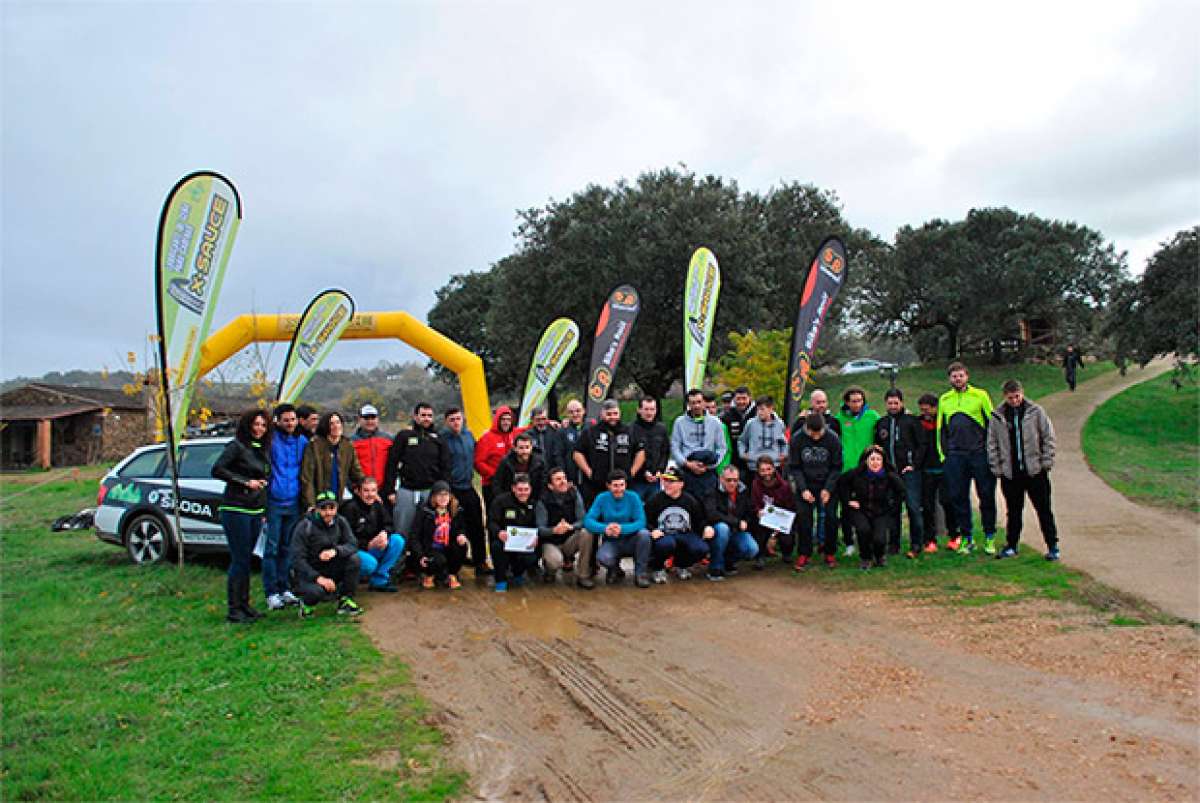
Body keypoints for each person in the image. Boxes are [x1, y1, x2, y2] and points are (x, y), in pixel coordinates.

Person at [986, 380, 1060, 560]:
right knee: (1013, 511)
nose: (1014, 401)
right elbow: (992, 443)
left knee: (1043, 510)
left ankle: (1052, 546)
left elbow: (1048, 437)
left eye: (1017, 396)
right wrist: (998, 467)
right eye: (1010, 398)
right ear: (1005, 396)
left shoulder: (1036, 412)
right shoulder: (998, 416)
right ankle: (1011, 545)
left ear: (1022, 393)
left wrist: (1046, 462)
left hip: (1035, 471)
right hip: (1011, 473)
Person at [212, 408, 272, 623]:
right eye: (256, 424)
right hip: (236, 509)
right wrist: (245, 482)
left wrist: (264, 507)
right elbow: (217, 469)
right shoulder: (236, 446)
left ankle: (245, 605)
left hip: (255, 509)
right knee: (239, 560)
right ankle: (234, 609)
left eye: (263, 425)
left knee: (248, 560)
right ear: (247, 425)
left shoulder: (263, 449)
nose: (259, 429)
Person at [937, 362, 998, 555]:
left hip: (979, 454)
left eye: (961, 375)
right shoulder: (945, 399)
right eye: (954, 376)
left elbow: (992, 425)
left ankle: (989, 537)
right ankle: (967, 538)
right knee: (958, 498)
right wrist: (944, 456)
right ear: (949, 379)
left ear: (967, 376)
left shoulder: (980, 395)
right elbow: (941, 430)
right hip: (956, 456)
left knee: (986, 496)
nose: (958, 379)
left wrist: (991, 452)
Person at [384, 402, 451, 539]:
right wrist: (390, 490)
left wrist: (444, 492)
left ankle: (423, 558)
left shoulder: (439, 439)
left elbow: (445, 467)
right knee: (402, 528)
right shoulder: (404, 436)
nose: (426, 418)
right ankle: (401, 558)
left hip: (430, 491)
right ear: (415, 417)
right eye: (423, 415)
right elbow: (392, 463)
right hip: (407, 490)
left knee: (428, 529)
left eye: (429, 416)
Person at [290, 491, 363, 618]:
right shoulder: (304, 526)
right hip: (309, 571)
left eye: (331, 508)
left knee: (354, 560)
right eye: (323, 508)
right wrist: (318, 578)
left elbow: (352, 544)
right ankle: (306, 605)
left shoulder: (340, 521)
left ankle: (346, 600)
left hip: (331, 566)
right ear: (316, 509)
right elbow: (297, 559)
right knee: (316, 592)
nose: (328, 512)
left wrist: (336, 551)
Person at [263, 403, 306, 610]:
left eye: (293, 419)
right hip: (274, 502)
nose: (290, 423)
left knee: (287, 548)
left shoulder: (301, 441)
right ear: (277, 421)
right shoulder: (270, 442)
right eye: (286, 420)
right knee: (271, 549)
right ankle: (271, 592)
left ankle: (285, 588)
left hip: (294, 502)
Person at [643, 468, 720, 582]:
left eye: (671, 481)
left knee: (701, 548)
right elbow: (645, 520)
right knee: (666, 544)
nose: (667, 484)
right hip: (664, 534)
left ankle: (681, 565)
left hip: (685, 533)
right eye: (665, 480)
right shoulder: (655, 499)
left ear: (681, 484)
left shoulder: (690, 500)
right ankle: (657, 568)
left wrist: (706, 527)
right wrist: (652, 530)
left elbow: (699, 520)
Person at [873, 388, 926, 557]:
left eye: (896, 403)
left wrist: (914, 464)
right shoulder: (882, 423)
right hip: (889, 474)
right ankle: (893, 545)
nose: (893, 406)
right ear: (886, 404)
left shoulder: (912, 421)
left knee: (913, 508)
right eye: (890, 403)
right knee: (892, 510)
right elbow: (877, 447)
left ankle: (916, 544)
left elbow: (922, 445)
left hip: (909, 472)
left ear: (902, 403)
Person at [789, 413, 843, 569]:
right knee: (804, 518)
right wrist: (803, 489)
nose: (816, 437)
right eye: (813, 433)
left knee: (831, 518)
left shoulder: (833, 439)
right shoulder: (797, 439)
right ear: (807, 428)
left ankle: (830, 552)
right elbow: (795, 467)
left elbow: (837, 466)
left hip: (827, 483)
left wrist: (828, 489)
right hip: (805, 483)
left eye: (819, 433)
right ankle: (804, 553)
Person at [834, 386, 881, 558]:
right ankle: (849, 543)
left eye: (860, 400)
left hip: (866, 470)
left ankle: (870, 541)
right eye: (853, 401)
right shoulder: (838, 419)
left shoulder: (872, 416)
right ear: (846, 402)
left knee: (868, 506)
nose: (856, 404)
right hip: (846, 470)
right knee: (846, 508)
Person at [441, 407, 488, 577]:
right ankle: (454, 563)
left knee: (477, 525)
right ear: (446, 422)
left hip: (468, 486)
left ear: (463, 419)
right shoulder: (442, 439)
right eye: (452, 419)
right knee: (453, 527)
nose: (455, 422)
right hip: (452, 489)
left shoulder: (469, 436)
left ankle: (480, 561)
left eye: (458, 419)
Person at [842, 446, 905, 571]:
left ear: (883, 461)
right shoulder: (856, 474)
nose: (875, 462)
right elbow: (842, 484)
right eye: (872, 459)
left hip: (881, 511)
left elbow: (901, 491)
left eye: (878, 459)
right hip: (861, 510)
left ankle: (879, 556)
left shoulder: (889, 476)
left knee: (879, 538)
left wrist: (892, 505)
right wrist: (848, 500)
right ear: (866, 461)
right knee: (863, 530)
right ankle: (865, 558)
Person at [585, 470, 651, 588]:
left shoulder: (633, 497)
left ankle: (640, 573)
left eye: (622, 485)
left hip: (631, 539)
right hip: (611, 540)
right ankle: (614, 569)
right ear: (608, 485)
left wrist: (622, 528)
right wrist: (605, 528)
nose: (619, 489)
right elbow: (588, 520)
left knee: (644, 534)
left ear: (626, 485)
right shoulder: (601, 498)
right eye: (615, 485)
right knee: (603, 558)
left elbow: (641, 522)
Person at [339, 476, 405, 592]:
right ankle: (344, 582)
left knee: (397, 540)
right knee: (370, 564)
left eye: (373, 490)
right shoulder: (349, 508)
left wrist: (385, 534)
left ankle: (379, 580)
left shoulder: (377, 505)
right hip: (354, 551)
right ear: (358, 491)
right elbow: (344, 539)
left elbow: (389, 524)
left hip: (374, 547)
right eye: (366, 490)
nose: (370, 494)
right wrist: (367, 545)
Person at [574, 399, 645, 505]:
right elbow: (577, 453)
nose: (612, 417)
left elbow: (641, 452)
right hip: (596, 486)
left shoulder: (630, 431)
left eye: (615, 413)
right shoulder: (590, 432)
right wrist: (589, 473)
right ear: (602, 414)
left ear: (620, 413)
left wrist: (632, 472)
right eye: (609, 414)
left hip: (622, 487)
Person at [535, 467, 595, 588]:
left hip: (569, 539)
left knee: (587, 532)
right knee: (555, 561)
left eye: (564, 478)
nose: (563, 482)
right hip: (550, 541)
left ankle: (583, 575)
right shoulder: (542, 500)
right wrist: (554, 530)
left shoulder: (574, 493)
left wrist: (571, 527)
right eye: (558, 479)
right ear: (550, 486)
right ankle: (549, 571)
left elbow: (583, 519)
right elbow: (540, 529)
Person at [299, 411, 365, 511]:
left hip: (340, 499)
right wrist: (310, 504)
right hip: (320, 499)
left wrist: (368, 490)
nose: (336, 426)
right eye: (331, 423)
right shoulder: (314, 445)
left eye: (338, 422)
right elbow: (307, 478)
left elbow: (356, 472)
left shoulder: (347, 446)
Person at [487, 473, 541, 593]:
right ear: (513, 488)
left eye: (526, 489)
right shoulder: (501, 501)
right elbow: (491, 522)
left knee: (534, 554)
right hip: (505, 541)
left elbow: (538, 525)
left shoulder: (534, 503)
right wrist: (498, 532)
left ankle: (518, 573)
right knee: (496, 547)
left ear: (530, 489)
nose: (523, 493)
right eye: (520, 489)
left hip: (524, 544)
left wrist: (537, 537)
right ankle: (501, 580)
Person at [703, 465, 761, 576]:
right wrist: (737, 522)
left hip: (736, 531)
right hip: (715, 531)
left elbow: (749, 512)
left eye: (735, 480)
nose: (732, 483)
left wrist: (749, 520)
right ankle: (715, 567)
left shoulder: (743, 490)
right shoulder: (711, 490)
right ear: (721, 478)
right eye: (728, 480)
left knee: (752, 549)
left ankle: (728, 562)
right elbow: (712, 514)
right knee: (722, 528)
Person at [671, 388, 728, 499]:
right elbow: (675, 447)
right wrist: (687, 464)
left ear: (704, 402)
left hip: (709, 469)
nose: (696, 406)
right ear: (688, 404)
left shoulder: (715, 422)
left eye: (699, 402)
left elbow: (722, 448)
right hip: (687, 470)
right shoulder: (679, 422)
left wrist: (711, 465)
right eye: (693, 403)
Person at [411, 481, 470, 589]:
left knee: (461, 546)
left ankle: (452, 574)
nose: (443, 498)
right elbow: (415, 535)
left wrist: (461, 535)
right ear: (434, 496)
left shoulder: (456, 510)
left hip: (448, 546)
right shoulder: (425, 511)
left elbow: (461, 528)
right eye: (440, 495)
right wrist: (419, 555)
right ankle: (429, 575)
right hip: (431, 548)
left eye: (446, 495)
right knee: (438, 561)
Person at [916, 393, 953, 553]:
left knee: (948, 503)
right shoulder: (919, 423)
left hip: (944, 469)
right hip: (926, 471)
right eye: (922, 410)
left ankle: (955, 536)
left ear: (935, 407)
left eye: (927, 410)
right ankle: (929, 539)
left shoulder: (944, 422)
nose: (925, 413)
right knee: (927, 506)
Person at [751, 455, 798, 566]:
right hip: (763, 519)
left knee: (788, 537)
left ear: (774, 468)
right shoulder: (755, 484)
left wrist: (774, 534)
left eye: (769, 469)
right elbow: (754, 504)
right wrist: (758, 511)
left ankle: (786, 553)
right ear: (758, 471)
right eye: (762, 470)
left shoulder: (784, 486)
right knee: (756, 526)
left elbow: (790, 509)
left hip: (781, 521)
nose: (766, 473)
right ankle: (760, 555)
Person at [475, 405, 517, 511]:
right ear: (497, 420)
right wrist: (495, 475)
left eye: (508, 419)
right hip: (491, 485)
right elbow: (478, 462)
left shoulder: (512, 434)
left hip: (510, 483)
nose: (506, 422)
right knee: (494, 514)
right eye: (503, 419)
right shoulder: (486, 438)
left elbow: (528, 428)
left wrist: (549, 422)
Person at [629, 396, 669, 502]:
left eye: (652, 409)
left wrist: (660, 470)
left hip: (655, 480)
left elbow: (665, 452)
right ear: (639, 410)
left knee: (655, 510)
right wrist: (643, 472)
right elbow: (629, 455)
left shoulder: (661, 429)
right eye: (646, 409)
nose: (649, 413)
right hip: (637, 481)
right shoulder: (631, 429)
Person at [738, 395, 789, 473]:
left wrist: (784, 454)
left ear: (771, 409)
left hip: (774, 466)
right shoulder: (750, 423)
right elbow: (742, 441)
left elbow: (784, 443)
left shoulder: (780, 424)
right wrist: (742, 454)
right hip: (754, 467)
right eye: (757, 409)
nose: (759, 412)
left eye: (762, 409)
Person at [493, 432, 547, 503]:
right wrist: (503, 501)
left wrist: (538, 502)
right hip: (510, 500)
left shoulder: (540, 463)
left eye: (527, 447)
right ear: (515, 448)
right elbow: (497, 483)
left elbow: (543, 484)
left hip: (533, 500)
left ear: (531, 448)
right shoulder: (506, 462)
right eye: (521, 448)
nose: (524, 451)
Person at [351, 403, 392, 487]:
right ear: (359, 419)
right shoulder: (351, 441)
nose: (370, 421)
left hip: (384, 489)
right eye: (366, 418)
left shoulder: (388, 439)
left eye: (373, 418)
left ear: (377, 419)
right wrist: (354, 487)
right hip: (361, 490)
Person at [721, 386, 757, 481]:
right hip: (735, 462)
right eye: (738, 399)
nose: (741, 402)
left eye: (744, 398)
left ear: (750, 398)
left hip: (755, 461)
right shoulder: (727, 416)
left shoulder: (758, 413)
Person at [558, 399, 587, 487]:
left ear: (583, 411)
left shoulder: (591, 429)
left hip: (588, 477)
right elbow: (559, 455)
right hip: (570, 479)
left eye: (578, 411)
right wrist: (563, 477)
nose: (575, 414)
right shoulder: (562, 431)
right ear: (567, 414)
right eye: (571, 412)